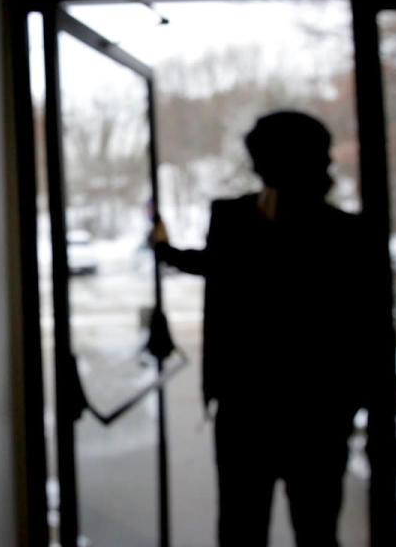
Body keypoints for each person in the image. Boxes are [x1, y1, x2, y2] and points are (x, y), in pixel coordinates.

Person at [151, 110, 373, 547]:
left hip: (259, 410)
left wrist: (165, 250)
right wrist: (167, 250)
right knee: (309, 527)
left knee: (248, 526)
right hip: (314, 414)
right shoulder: (343, 233)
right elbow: (217, 265)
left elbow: (220, 266)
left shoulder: (240, 222)